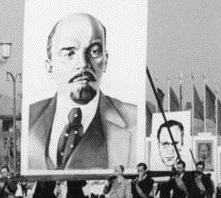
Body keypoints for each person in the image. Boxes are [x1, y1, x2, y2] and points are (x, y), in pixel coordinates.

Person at [28, 13, 139, 170]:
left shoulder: (135, 120)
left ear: (105, 60)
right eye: (70, 53)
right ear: (50, 67)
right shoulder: (30, 117)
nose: (83, 64)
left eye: (94, 52)